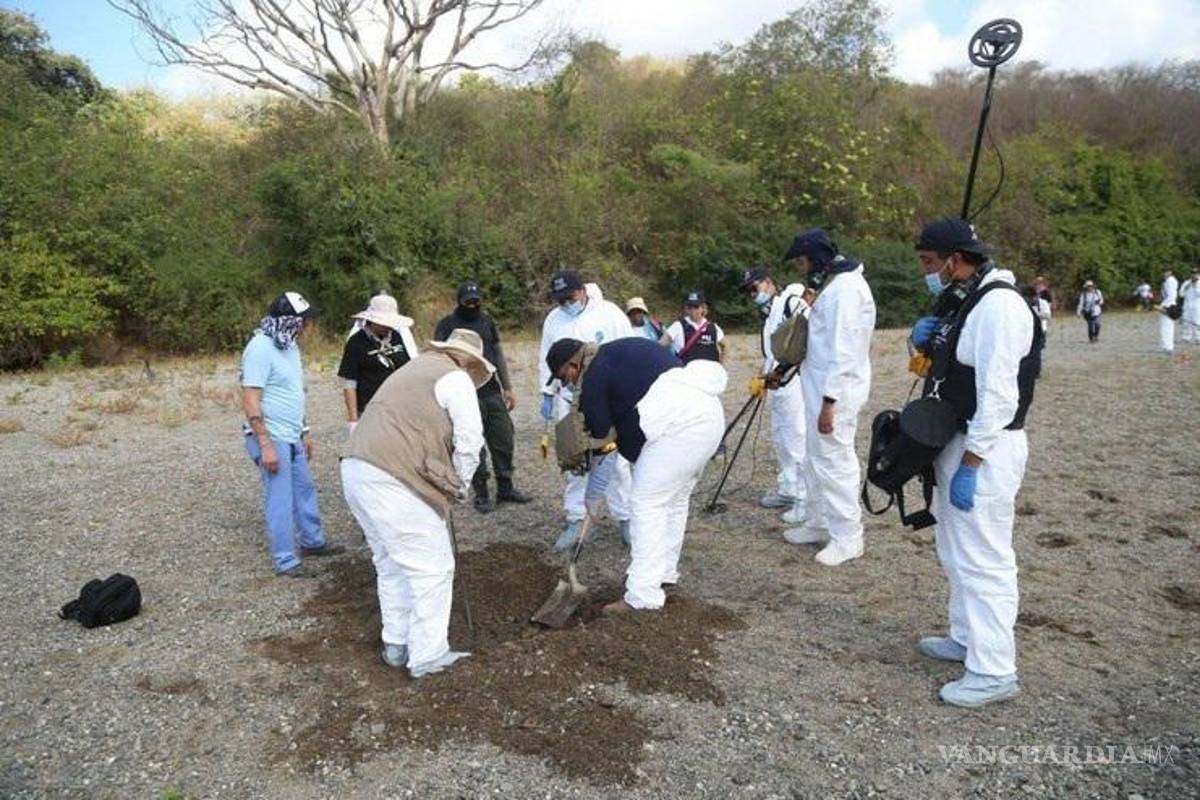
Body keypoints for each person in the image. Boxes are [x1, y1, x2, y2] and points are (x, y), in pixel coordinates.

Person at [909, 218, 1043, 708]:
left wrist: (972, 460)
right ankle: (966, 636)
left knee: (985, 558)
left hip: (986, 448)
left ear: (954, 259)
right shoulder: (968, 300)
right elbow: (948, 362)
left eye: (929, 263)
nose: (927, 273)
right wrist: (922, 341)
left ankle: (993, 670)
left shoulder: (1001, 307)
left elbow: (1000, 395)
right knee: (956, 548)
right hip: (956, 438)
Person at [340, 328, 492, 679]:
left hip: (357, 469)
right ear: (468, 362)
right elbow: (470, 440)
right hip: (394, 477)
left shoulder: (412, 369)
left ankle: (396, 644)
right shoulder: (455, 378)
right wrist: (460, 487)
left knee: (391, 561)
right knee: (433, 568)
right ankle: (428, 656)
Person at [545, 337, 725, 613]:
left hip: (678, 429)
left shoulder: (593, 377)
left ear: (573, 363)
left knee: (646, 504)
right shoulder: (614, 356)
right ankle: (662, 573)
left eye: (564, 377)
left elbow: (604, 448)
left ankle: (643, 595)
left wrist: (591, 500)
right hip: (709, 420)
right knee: (673, 501)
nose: (567, 384)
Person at [778, 230, 876, 566]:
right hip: (817, 389)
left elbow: (844, 350)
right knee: (814, 457)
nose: (802, 268)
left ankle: (848, 537)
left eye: (803, 261)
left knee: (835, 462)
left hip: (835, 393)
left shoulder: (847, 290)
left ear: (817, 258)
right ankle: (819, 523)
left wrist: (830, 402)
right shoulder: (834, 286)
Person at [240, 291, 343, 577]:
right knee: (280, 497)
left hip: (292, 433)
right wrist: (265, 444)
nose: (308, 327)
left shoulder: (289, 346)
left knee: (304, 488)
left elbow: (293, 392)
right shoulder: (260, 348)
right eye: (305, 321)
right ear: (290, 320)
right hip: (270, 436)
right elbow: (250, 398)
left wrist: (305, 430)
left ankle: (312, 541)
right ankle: (286, 560)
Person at [539, 270, 634, 551]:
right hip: (568, 398)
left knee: (614, 459)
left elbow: (627, 351)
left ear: (583, 291)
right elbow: (545, 358)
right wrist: (546, 393)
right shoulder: (554, 319)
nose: (565, 304)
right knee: (574, 458)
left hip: (607, 397)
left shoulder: (610, 313)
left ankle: (626, 517)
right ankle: (577, 518)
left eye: (569, 297)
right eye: (559, 300)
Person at [433, 282, 531, 514]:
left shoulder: (486, 321)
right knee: (473, 442)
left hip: (491, 389)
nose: (473, 304)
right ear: (459, 301)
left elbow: (497, 352)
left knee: (504, 438)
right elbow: (437, 358)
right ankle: (482, 493)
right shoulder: (447, 325)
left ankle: (506, 487)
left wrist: (507, 387)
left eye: (477, 300)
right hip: (463, 394)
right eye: (468, 301)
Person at [737, 265, 808, 515]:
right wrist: (763, 375)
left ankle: (804, 500)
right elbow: (771, 354)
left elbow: (803, 340)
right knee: (781, 438)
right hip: (777, 386)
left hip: (794, 383)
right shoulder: (769, 314)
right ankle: (788, 489)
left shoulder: (791, 302)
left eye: (754, 288)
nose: (752, 294)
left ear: (768, 282)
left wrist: (781, 372)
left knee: (796, 439)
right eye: (748, 291)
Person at [337, 292, 418, 433]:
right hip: (370, 410)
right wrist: (353, 420)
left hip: (398, 408)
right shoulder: (356, 342)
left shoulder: (396, 336)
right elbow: (349, 383)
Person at [660, 290, 726, 364]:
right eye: (689, 307)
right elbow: (659, 346)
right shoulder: (677, 326)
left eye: (696, 307)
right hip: (687, 373)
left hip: (710, 373)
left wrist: (720, 365)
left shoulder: (713, 327)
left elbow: (725, 346)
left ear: (703, 308)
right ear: (686, 308)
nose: (693, 310)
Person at [1159, 269, 1179, 353]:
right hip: (1166, 304)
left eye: (1166, 271)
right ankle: (1165, 345)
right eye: (1164, 271)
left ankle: (1168, 346)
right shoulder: (1166, 281)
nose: (1164, 273)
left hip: (1169, 306)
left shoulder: (1171, 281)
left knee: (1167, 327)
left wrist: (1164, 307)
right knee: (1164, 326)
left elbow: (1171, 296)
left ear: (1170, 272)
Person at [1181, 271, 1200, 344]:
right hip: (1187, 305)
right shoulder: (1186, 282)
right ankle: (1186, 337)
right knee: (1186, 321)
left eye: (1196, 273)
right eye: (1192, 273)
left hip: (1197, 306)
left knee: (1197, 322)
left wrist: (1195, 287)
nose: (1194, 275)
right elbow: (1181, 294)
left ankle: (1198, 338)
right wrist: (1186, 288)